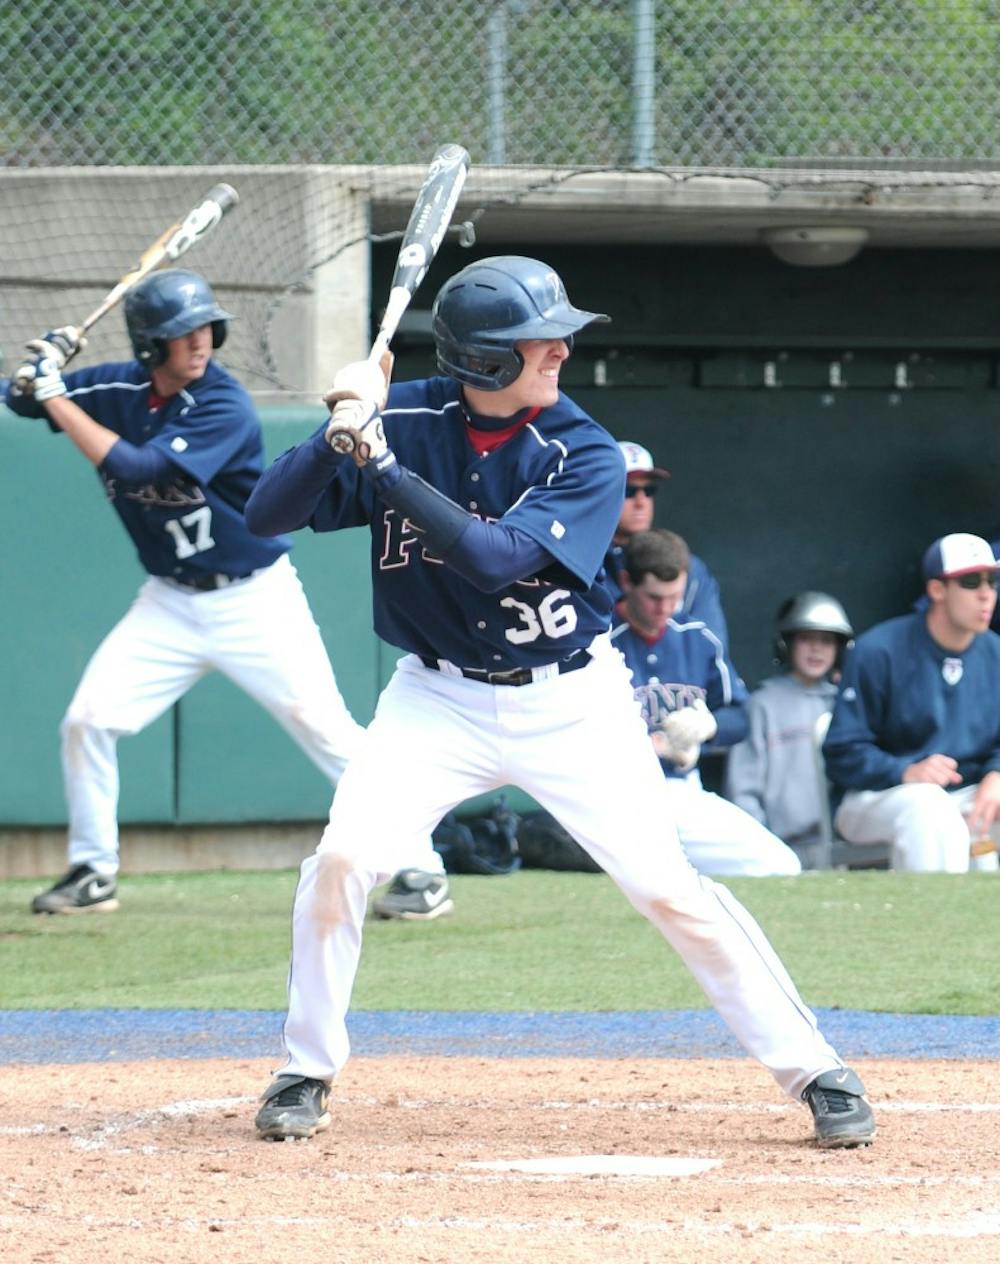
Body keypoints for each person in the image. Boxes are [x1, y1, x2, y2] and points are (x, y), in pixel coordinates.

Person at [243, 254, 874, 1149]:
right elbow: (265, 514)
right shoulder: (408, 416)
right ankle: (304, 1068)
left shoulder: (582, 449)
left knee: (669, 888)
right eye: (540, 341)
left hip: (571, 703)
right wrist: (336, 426)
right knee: (343, 859)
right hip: (435, 699)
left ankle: (817, 1069)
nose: (562, 351)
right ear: (487, 362)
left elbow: (495, 558)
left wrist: (377, 461)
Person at [6, 270, 366, 913]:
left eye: (205, 326)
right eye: (182, 332)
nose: (200, 341)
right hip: (169, 601)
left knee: (327, 729)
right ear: (152, 345)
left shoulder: (224, 403)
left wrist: (56, 396)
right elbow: (22, 400)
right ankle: (93, 871)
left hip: (254, 596)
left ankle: (421, 866)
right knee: (87, 721)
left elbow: (143, 468)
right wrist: (42, 365)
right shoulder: (117, 387)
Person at [610, 530, 801, 877]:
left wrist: (707, 729)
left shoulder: (696, 637)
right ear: (626, 581)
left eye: (675, 597)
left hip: (679, 793)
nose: (665, 608)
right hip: (611, 793)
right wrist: (646, 746)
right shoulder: (598, 640)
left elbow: (740, 716)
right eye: (654, 597)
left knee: (780, 865)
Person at [823, 533, 1000, 872]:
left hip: (969, 793)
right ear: (937, 590)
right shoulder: (879, 650)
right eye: (970, 581)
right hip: (879, 796)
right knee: (930, 807)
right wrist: (905, 769)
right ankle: (935, 924)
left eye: (992, 580)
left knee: (946, 810)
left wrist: (997, 774)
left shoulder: (996, 652)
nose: (986, 593)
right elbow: (842, 754)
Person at [726, 591, 854, 870]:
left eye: (826, 641)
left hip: (841, 849)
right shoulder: (763, 704)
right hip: (779, 848)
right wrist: (759, 844)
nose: (817, 650)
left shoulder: (844, 702)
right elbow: (743, 790)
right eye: (807, 639)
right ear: (786, 644)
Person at [604, 440, 728, 644]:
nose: (641, 501)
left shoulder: (687, 566)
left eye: (649, 490)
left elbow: (712, 645)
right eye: (628, 491)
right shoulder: (584, 565)